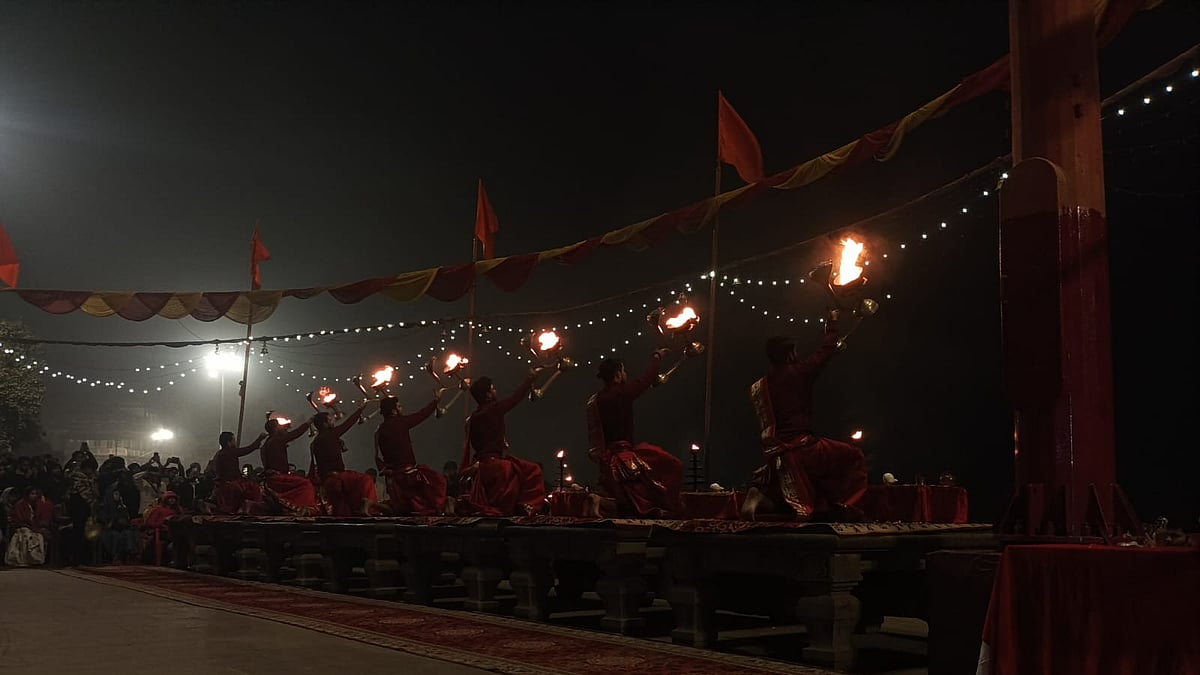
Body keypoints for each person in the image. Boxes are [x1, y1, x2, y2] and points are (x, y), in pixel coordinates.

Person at [742, 310, 868, 521]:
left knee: (789, 498)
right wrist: (833, 322)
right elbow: (826, 351)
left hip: (775, 453)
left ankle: (760, 498)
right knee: (852, 455)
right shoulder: (799, 373)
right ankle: (846, 508)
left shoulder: (758, 386)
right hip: (803, 449)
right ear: (790, 354)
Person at [588, 350, 684, 517]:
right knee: (670, 466)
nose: (626, 374)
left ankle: (600, 501)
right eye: (624, 370)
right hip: (624, 457)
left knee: (627, 503)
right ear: (618, 374)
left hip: (607, 457)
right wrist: (657, 357)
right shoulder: (622, 393)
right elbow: (647, 379)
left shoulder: (596, 399)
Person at [458, 370, 548, 516]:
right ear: (487, 395)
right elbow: (515, 398)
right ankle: (527, 505)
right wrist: (530, 379)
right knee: (533, 470)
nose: (495, 391)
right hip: (494, 464)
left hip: (480, 463)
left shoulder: (472, 418)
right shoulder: (493, 409)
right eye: (492, 389)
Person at [375, 393, 446, 515]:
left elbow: (378, 456)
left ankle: (372, 504)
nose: (402, 409)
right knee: (438, 484)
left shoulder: (379, 430)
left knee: (399, 510)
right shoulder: (400, 422)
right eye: (399, 406)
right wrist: (435, 401)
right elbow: (421, 415)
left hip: (393, 478)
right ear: (394, 411)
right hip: (407, 475)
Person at [310, 401, 376, 516]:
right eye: (330, 420)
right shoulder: (330, 434)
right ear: (325, 424)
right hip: (337, 478)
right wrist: (360, 409)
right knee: (366, 480)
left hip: (326, 480)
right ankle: (368, 509)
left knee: (342, 511)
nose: (333, 422)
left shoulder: (315, 442)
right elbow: (348, 424)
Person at [259, 417, 319, 514]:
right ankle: (304, 510)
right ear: (275, 429)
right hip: (278, 478)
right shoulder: (276, 440)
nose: (282, 427)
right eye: (279, 426)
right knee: (306, 484)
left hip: (272, 478)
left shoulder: (266, 444)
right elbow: (295, 434)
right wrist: (308, 423)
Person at [209, 432, 268, 514]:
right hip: (231, 484)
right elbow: (248, 449)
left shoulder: (218, 454)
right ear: (229, 442)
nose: (235, 442)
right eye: (233, 440)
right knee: (254, 488)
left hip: (222, 484)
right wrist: (260, 438)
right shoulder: (230, 452)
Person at [5, 486, 54, 566]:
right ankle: (23, 559)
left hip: (35, 527)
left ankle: (35, 560)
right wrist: (31, 527)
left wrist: (38, 527)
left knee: (39, 536)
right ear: (27, 495)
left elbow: (39, 518)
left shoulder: (38, 504)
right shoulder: (20, 504)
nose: (34, 496)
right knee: (26, 535)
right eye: (32, 494)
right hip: (22, 526)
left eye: (36, 494)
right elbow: (18, 519)